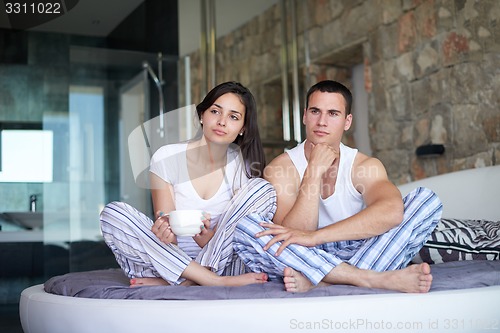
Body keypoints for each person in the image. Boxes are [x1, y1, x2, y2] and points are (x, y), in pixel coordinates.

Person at [233, 80, 443, 293]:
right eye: (315, 111)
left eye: (333, 113)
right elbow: (292, 238)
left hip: (359, 247)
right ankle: (369, 279)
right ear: (305, 116)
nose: (322, 121)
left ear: (347, 121)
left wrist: (317, 236)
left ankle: (321, 281)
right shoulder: (280, 168)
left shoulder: (363, 166)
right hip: (306, 255)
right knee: (246, 225)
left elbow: (391, 213)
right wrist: (313, 171)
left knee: (426, 201)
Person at [100, 81, 276, 287]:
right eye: (215, 111)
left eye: (233, 117)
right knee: (113, 214)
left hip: (224, 264)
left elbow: (236, 237)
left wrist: (210, 240)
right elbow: (169, 230)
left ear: (242, 128)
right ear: (202, 115)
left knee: (263, 190)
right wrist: (164, 232)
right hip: (168, 260)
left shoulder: (244, 168)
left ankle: (190, 281)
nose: (221, 122)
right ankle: (207, 280)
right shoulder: (167, 157)